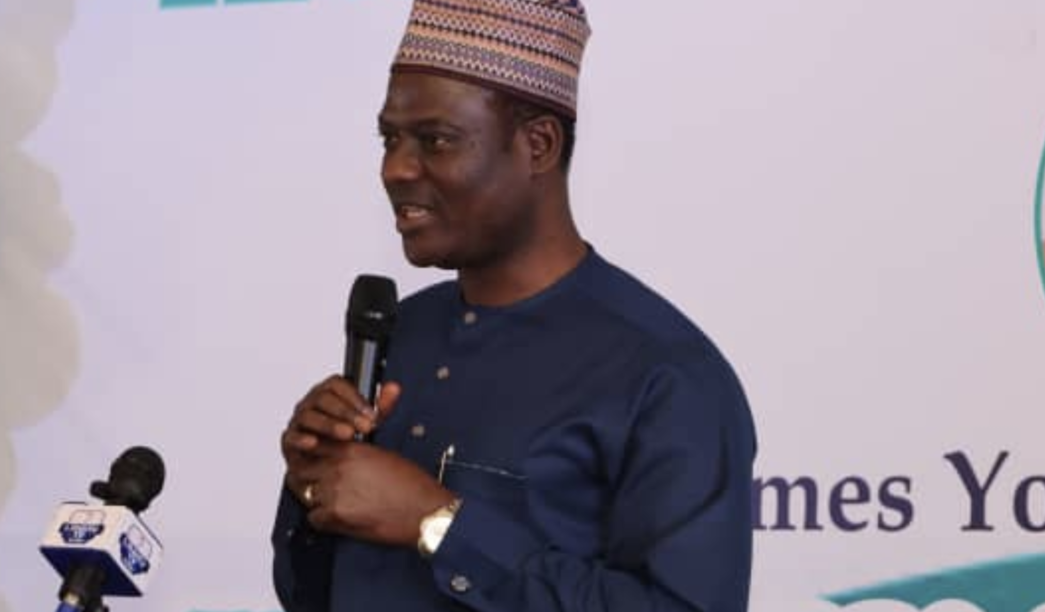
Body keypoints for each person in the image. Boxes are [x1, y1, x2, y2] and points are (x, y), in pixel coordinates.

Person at [271, 1, 757, 611]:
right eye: (389, 139)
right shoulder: (403, 332)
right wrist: (312, 488)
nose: (395, 169)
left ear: (538, 145)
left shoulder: (664, 375)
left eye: (435, 141)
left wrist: (438, 523)